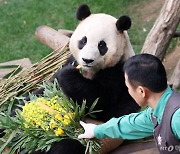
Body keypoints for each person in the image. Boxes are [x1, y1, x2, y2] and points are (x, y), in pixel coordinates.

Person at [78, 54, 180, 154]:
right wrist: (96, 130)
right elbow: (131, 124)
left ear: (141, 91)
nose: (128, 92)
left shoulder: (177, 118)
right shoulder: (157, 110)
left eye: (128, 87)